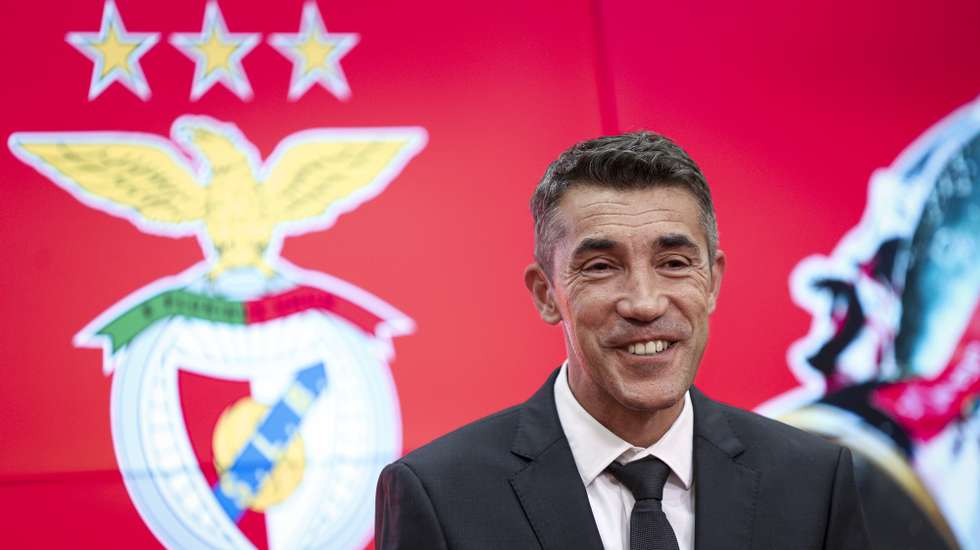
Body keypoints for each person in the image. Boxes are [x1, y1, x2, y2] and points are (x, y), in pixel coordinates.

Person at [375, 132, 871, 550]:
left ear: (713, 282)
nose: (644, 303)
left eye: (674, 263)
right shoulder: (437, 494)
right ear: (547, 295)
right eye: (601, 267)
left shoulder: (814, 483)